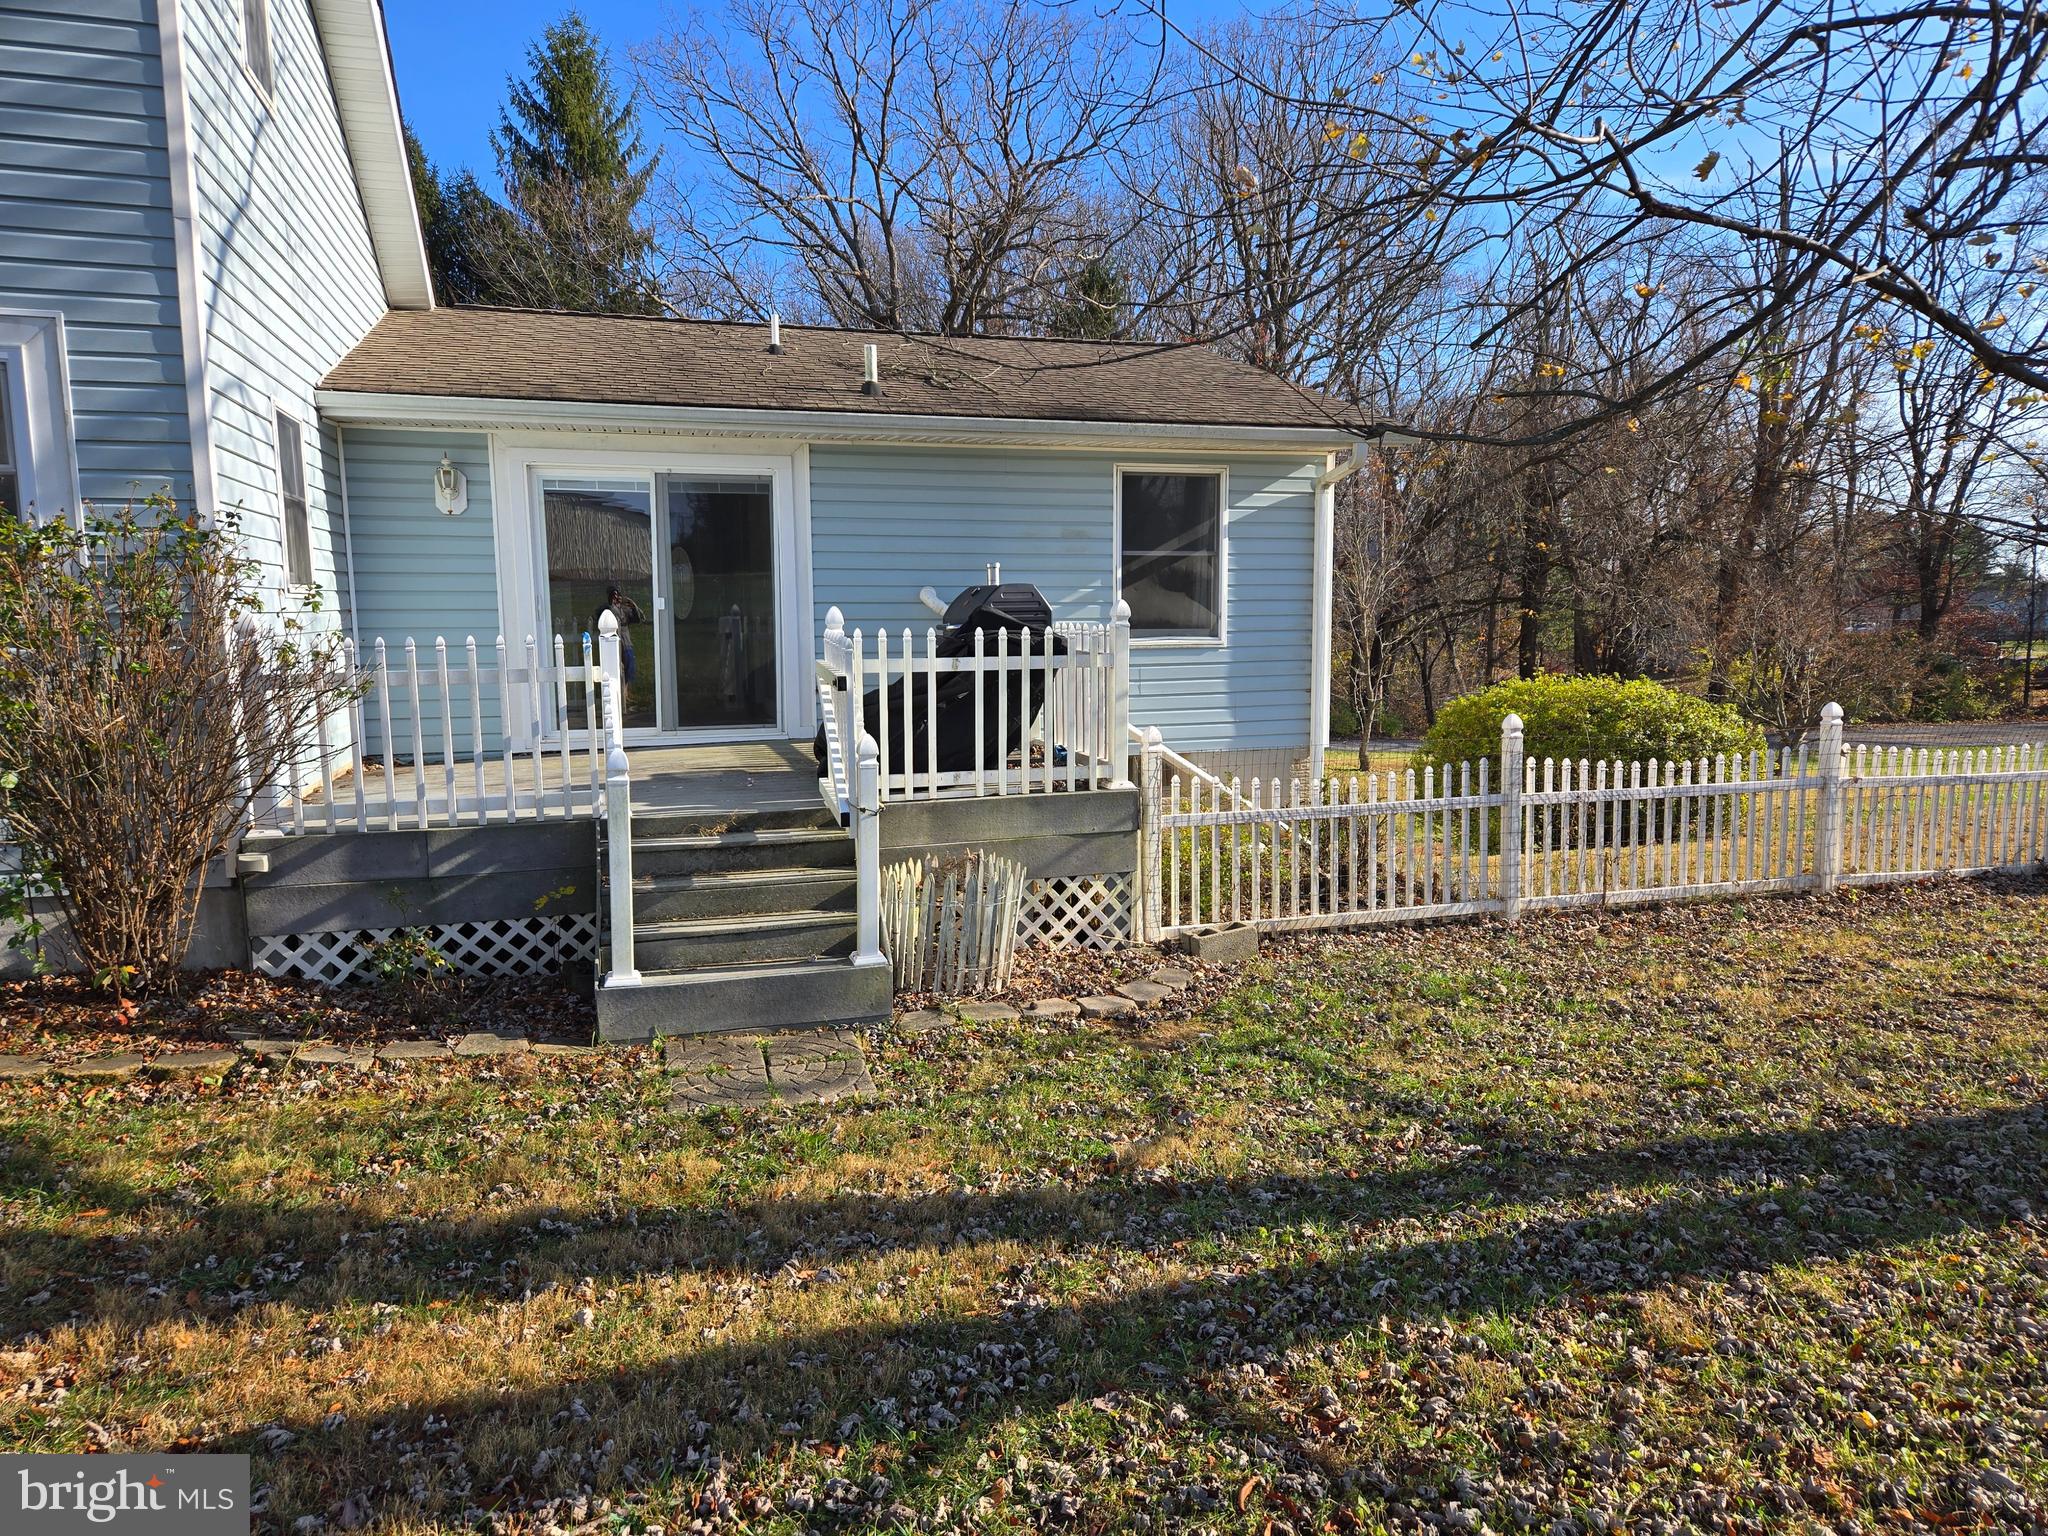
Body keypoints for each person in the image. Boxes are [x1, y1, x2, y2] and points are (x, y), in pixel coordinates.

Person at [601, 584, 645, 685]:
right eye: (614, 595)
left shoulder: (624, 610)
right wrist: (612, 606)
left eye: (618, 595)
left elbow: (640, 618)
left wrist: (633, 606)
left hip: (626, 645)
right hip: (613, 646)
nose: (616, 598)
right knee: (614, 672)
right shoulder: (608, 610)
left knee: (629, 670)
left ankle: (626, 692)